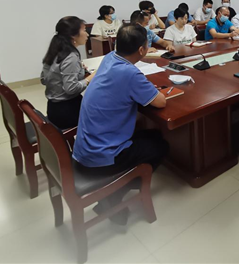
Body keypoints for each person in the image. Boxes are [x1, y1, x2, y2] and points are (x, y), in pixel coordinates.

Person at [72, 24, 168, 225]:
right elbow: (160, 102)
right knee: (161, 146)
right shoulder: (130, 73)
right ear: (141, 50)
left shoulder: (110, 58)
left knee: (152, 135)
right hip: (103, 156)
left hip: (84, 148)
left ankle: (114, 191)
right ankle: (114, 194)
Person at [41, 16, 95, 130]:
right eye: (84, 30)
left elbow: (43, 79)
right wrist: (90, 78)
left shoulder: (56, 49)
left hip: (53, 108)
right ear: (73, 35)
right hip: (68, 111)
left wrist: (78, 70)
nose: (87, 34)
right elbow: (71, 89)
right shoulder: (71, 56)